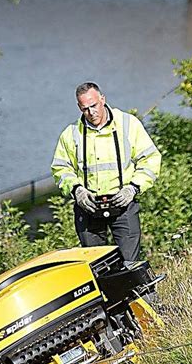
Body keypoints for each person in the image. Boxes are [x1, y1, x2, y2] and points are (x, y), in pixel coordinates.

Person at [51, 82, 161, 264]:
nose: (91, 112)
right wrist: (77, 190)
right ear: (79, 107)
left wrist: (133, 189)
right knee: (96, 267)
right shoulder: (71, 134)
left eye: (94, 105)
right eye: (85, 109)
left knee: (130, 265)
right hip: (88, 207)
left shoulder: (128, 124)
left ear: (103, 99)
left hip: (123, 203)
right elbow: (60, 169)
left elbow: (151, 159)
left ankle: (137, 293)